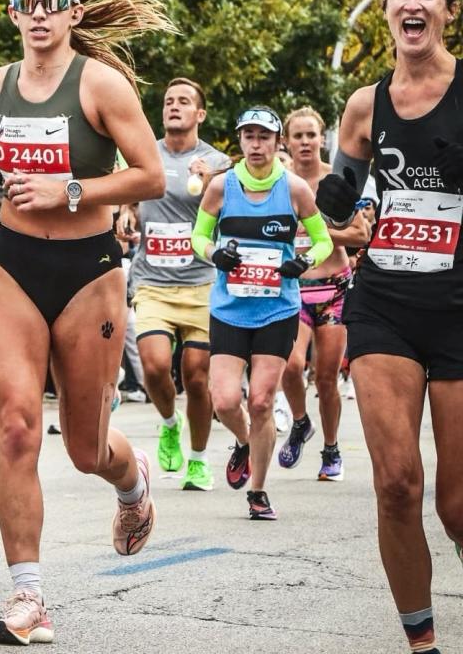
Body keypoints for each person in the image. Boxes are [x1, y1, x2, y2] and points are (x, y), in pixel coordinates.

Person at [0, 0, 169, 644]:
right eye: (26, 1)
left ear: (73, 13)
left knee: (87, 451)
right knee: (15, 430)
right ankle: (29, 597)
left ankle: (132, 482)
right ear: (12, 13)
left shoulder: (102, 86)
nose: (38, 12)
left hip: (89, 267)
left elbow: (149, 175)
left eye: (51, 1)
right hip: (12, 262)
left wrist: (70, 191)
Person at [315, 0, 463, 654]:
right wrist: (340, 211)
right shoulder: (363, 106)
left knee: (457, 505)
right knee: (398, 484)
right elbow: (336, 207)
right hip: (382, 305)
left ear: (448, 11)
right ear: (386, 11)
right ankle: (423, 645)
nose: (412, 3)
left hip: (461, 307)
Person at [191, 106, 332, 521]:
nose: (256, 144)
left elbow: (322, 241)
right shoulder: (221, 187)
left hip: (277, 309)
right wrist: (216, 253)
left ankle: (258, 491)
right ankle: (245, 443)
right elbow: (198, 236)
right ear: (240, 141)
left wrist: (302, 262)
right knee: (224, 399)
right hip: (230, 308)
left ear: (277, 143)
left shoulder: (294, 189)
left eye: (264, 137)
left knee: (261, 400)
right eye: (248, 136)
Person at [121, 77, 231, 491]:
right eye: (168, 101)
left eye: (184, 101)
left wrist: (211, 185)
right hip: (153, 280)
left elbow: (232, 216)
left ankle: (199, 460)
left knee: (197, 376)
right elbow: (129, 194)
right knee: (152, 365)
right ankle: (169, 423)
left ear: (200, 114)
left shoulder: (219, 163)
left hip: (201, 283)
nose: (174, 106)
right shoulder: (145, 153)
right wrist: (126, 214)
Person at [277, 107, 370, 481]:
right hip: (293, 289)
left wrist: (319, 231)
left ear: (322, 138)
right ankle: (300, 422)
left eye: (311, 135)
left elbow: (361, 235)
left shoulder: (336, 181)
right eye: (297, 136)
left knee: (327, 377)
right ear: (286, 141)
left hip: (333, 290)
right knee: (290, 364)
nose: (304, 142)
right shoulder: (277, 183)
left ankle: (331, 450)